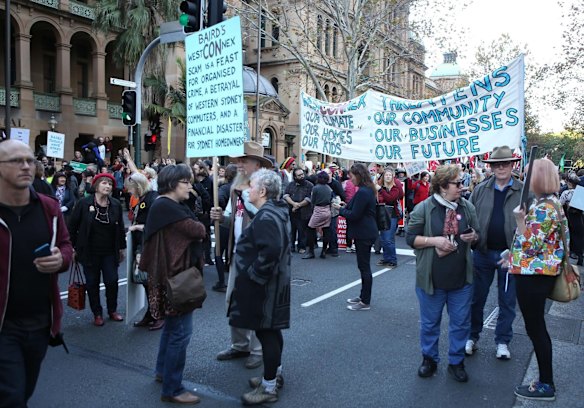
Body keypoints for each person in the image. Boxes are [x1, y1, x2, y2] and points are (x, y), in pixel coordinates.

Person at [0, 140, 74, 406]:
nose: (26, 166)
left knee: (25, 390)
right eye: (16, 161)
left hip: (41, 324)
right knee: (12, 396)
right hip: (3, 327)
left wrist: (60, 259)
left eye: (30, 160)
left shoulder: (49, 207)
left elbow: (66, 246)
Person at [139, 164, 207, 404]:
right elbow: (197, 229)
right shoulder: (168, 207)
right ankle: (173, 388)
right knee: (181, 333)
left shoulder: (165, 205)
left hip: (168, 275)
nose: (190, 186)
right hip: (175, 278)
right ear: (171, 184)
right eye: (185, 182)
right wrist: (207, 222)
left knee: (171, 329)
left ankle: (162, 371)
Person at [406, 164, 479, 383]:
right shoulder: (424, 208)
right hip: (431, 280)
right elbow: (411, 239)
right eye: (457, 183)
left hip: (461, 280)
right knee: (430, 324)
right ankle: (429, 359)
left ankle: (456, 362)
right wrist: (434, 240)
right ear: (443, 186)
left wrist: (473, 237)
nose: (462, 187)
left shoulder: (466, 208)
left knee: (461, 323)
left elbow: (478, 236)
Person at [228, 169, 291, 405]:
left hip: (266, 289)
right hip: (273, 285)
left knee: (267, 335)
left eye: (251, 185)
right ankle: (274, 375)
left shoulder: (267, 216)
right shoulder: (273, 211)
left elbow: (271, 251)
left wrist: (254, 275)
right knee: (272, 333)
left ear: (262, 191)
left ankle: (269, 387)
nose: (247, 189)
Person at [211, 141, 272, 369]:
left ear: (256, 164)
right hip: (238, 254)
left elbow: (265, 216)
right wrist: (220, 217)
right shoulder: (237, 186)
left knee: (255, 303)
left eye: (242, 161)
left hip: (257, 256)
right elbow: (231, 218)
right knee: (234, 301)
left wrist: (246, 195)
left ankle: (257, 350)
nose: (238, 165)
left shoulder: (267, 187)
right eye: (237, 161)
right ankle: (239, 345)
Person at [509, 158, 566, 401]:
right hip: (538, 274)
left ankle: (545, 384)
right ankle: (545, 381)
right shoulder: (550, 203)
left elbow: (530, 245)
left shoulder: (544, 207)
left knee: (536, 328)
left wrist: (520, 220)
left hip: (534, 276)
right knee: (536, 327)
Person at [466, 146, 524, 360]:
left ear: (512, 165)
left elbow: (531, 228)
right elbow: (469, 217)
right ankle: (471, 336)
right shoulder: (480, 189)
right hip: (482, 253)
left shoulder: (523, 191)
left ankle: (502, 342)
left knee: (507, 302)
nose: (501, 167)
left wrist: (517, 251)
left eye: (505, 163)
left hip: (511, 257)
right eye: (496, 164)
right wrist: (471, 235)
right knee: (476, 299)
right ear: (490, 167)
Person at [68, 173, 127, 326]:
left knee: (112, 280)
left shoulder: (114, 204)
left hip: (109, 251)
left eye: (110, 184)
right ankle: (97, 313)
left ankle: (112, 310)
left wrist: (122, 248)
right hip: (89, 251)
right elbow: (72, 227)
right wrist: (72, 247)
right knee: (92, 283)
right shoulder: (83, 203)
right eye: (104, 183)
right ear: (96, 186)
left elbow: (120, 227)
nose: (107, 186)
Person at [332, 163, 377, 311]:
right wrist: (345, 206)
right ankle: (363, 296)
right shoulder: (366, 190)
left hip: (364, 233)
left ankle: (365, 301)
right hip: (364, 231)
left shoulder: (364, 192)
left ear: (358, 175)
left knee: (364, 267)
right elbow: (354, 207)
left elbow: (355, 214)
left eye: (352, 176)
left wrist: (340, 210)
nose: (350, 179)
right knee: (363, 266)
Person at [125, 172, 163, 330]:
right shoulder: (144, 198)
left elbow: (156, 225)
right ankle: (151, 312)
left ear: (138, 187)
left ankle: (158, 314)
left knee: (152, 281)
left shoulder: (152, 199)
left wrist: (137, 227)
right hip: (142, 242)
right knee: (145, 282)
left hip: (149, 244)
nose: (128, 191)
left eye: (130, 188)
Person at [376, 167, 404, 267]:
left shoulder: (395, 186)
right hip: (382, 213)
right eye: (386, 175)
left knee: (388, 238)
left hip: (392, 214)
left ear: (392, 177)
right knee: (383, 238)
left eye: (389, 175)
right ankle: (386, 258)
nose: (387, 177)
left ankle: (392, 259)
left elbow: (391, 198)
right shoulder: (381, 185)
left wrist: (380, 190)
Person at [283, 168, 313, 255]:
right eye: (299, 175)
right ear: (295, 177)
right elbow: (286, 195)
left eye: (302, 174)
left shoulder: (309, 185)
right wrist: (293, 204)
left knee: (302, 230)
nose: (302, 176)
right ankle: (291, 246)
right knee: (291, 230)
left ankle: (301, 247)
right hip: (292, 211)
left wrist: (298, 205)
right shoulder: (291, 185)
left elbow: (309, 198)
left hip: (304, 211)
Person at [303, 171, 332, 259]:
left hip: (318, 210)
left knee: (310, 228)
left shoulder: (316, 188)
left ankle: (311, 251)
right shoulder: (329, 188)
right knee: (326, 229)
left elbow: (313, 201)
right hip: (327, 209)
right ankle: (323, 250)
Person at [560, 172, 583, 265]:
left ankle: (570, 253)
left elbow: (559, 204)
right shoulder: (581, 192)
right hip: (580, 218)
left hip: (569, 217)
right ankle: (580, 255)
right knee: (579, 236)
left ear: (569, 183)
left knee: (569, 235)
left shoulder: (566, 193)